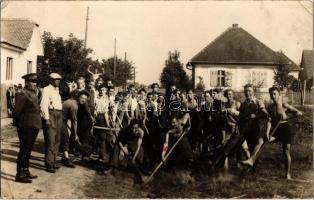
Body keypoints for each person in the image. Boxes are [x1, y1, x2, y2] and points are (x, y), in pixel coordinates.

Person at [241, 86, 302, 180]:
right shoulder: (269, 107)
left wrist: (287, 117)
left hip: (285, 128)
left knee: (286, 151)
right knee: (261, 140)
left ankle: (287, 174)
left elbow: (298, 113)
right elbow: (269, 121)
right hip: (275, 129)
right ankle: (251, 160)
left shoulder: (284, 104)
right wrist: (267, 132)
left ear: (279, 94)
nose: (273, 96)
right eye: (271, 94)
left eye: (274, 94)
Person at [13, 73, 42, 183]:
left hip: (33, 125)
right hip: (25, 126)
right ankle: (19, 174)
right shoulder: (22, 94)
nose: (34, 84)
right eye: (32, 81)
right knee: (24, 149)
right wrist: (20, 124)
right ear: (26, 82)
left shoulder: (33, 93)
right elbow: (16, 112)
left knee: (29, 149)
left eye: (35, 82)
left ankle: (26, 170)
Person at [238, 84, 268, 171]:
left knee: (253, 147)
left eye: (249, 91)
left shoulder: (258, 102)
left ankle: (253, 170)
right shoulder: (243, 104)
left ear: (253, 92)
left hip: (255, 128)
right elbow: (240, 116)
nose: (248, 93)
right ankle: (250, 168)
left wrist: (256, 116)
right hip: (246, 129)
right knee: (246, 147)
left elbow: (265, 114)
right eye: (246, 91)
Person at [41, 73, 63, 173]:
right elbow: (44, 104)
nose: (57, 81)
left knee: (58, 139)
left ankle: (52, 161)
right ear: (50, 80)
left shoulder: (56, 90)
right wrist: (46, 118)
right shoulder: (47, 89)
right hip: (51, 114)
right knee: (51, 139)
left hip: (58, 114)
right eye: (55, 79)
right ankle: (49, 164)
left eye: (58, 79)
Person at [60, 91, 84, 168]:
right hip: (59, 120)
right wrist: (76, 135)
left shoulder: (72, 101)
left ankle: (64, 156)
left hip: (62, 119)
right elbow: (74, 121)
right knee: (65, 137)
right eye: (82, 98)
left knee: (64, 136)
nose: (84, 100)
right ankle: (66, 159)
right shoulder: (74, 106)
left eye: (85, 99)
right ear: (78, 97)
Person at [94, 84, 110, 161]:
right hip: (96, 117)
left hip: (103, 117)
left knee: (103, 137)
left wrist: (107, 123)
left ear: (106, 91)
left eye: (104, 90)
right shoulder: (95, 97)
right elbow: (94, 108)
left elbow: (106, 111)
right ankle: (95, 152)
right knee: (95, 136)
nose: (102, 91)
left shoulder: (107, 98)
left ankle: (102, 154)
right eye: (101, 89)